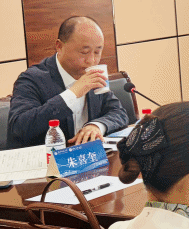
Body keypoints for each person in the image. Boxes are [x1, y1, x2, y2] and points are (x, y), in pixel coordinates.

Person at [8, 16, 129, 149]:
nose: (91, 60)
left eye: (97, 52)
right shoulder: (32, 79)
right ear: (59, 46)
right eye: (84, 52)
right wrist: (73, 94)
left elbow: (118, 112)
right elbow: (19, 127)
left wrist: (96, 126)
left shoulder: (95, 75)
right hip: (50, 159)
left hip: (89, 156)